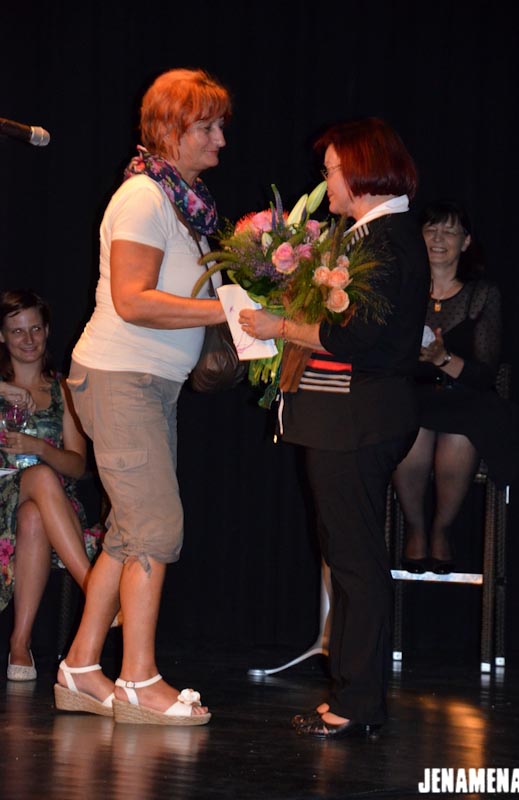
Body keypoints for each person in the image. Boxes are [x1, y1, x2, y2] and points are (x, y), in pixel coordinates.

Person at [239, 118, 430, 738]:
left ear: (360, 170)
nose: (326, 183)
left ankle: (358, 702)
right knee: (348, 559)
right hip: (350, 419)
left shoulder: (386, 240)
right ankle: (352, 695)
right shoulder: (375, 235)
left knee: (355, 563)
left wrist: (279, 327)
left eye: (331, 171)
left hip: (358, 420)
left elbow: (360, 339)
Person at [54, 68, 230, 725]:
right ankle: (138, 680)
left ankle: (80, 669)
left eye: (220, 126)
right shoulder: (143, 198)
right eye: (207, 127)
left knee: (131, 533)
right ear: (170, 129)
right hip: (120, 378)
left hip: (146, 383)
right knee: (156, 528)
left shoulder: (184, 202)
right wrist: (229, 312)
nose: (220, 140)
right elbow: (132, 301)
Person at [392, 200, 515, 574]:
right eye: (431, 229)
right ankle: (415, 527)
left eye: (449, 231)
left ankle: (442, 529)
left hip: (466, 397)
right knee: (409, 430)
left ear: (466, 242)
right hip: (413, 394)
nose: (438, 238)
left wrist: (443, 358)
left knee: (461, 434)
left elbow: (485, 373)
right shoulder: (401, 289)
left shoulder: (483, 294)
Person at [0, 289, 99, 681]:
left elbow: (78, 466)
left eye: (35, 329)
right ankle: (96, 590)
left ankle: (19, 644)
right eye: (17, 331)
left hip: (53, 505)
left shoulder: (63, 390)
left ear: (47, 331)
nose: (28, 339)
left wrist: (39, 448)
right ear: (2, 337)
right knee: (38, 481)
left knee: (34, 514)